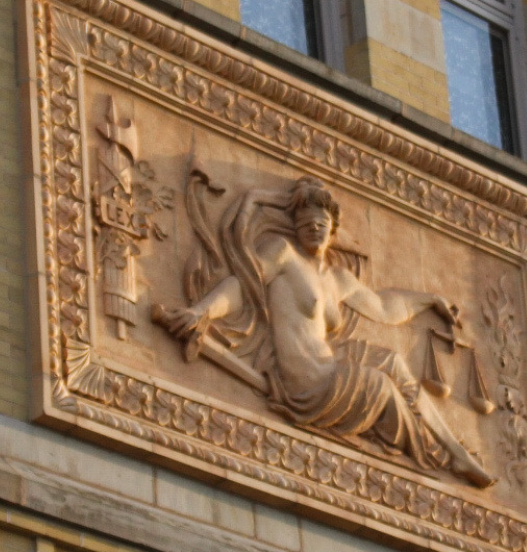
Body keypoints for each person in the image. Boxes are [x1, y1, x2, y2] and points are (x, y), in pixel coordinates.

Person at [158, 176, 495, 487]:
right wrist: (200, 310)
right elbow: (240, 288)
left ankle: (456, 454)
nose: (314, 229)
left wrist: (430, 300)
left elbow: (385, 307)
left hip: (331, 362)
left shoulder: (338, 280)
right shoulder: (283, 255)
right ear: (294, 226)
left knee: (392, 361)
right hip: (307, 380)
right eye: (305, 224)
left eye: (321, 223)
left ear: (333, 228)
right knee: (380, 384)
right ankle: (433, 450)